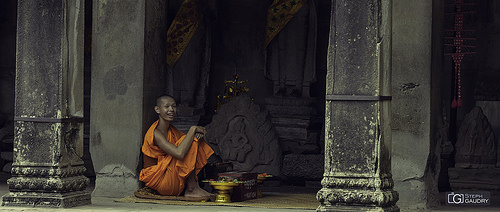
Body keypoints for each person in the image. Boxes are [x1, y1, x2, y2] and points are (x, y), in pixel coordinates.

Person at [139, 95, 214, 199]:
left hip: (172, 178)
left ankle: (193, 187)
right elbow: (179, 153)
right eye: (167, 106)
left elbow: (187, 143)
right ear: (157, 109)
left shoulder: (172, 131)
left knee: (190, 140)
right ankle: (192, 189)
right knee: (188, 140)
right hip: (161, 182)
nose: (171, 110)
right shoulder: (156, 134)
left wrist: (196, 135)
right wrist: (193, 130)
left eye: (174, 106)